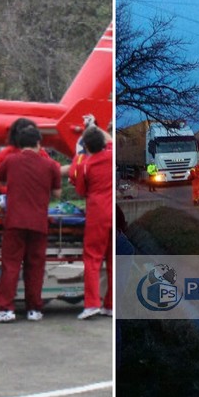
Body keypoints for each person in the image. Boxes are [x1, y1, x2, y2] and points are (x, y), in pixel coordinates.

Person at [0, 125, 62, 323]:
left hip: (14, 221)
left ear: (19, 144)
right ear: (39, 143)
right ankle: (34, 308)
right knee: (35, 266)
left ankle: (5, 308)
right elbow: (57, 194)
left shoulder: (11, 160)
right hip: (39, 222)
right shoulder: (50, 165)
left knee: (11, 265)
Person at [73, 126, 114, 320]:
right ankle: (111, 304)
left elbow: (81, 191)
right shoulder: (112, 154)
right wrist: (94, 126)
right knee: (112, 260)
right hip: (114, 212)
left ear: (86, 146)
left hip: (97, 213)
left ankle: (91, 304)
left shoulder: (85, 164)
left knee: (92, 258)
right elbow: (110, 140)